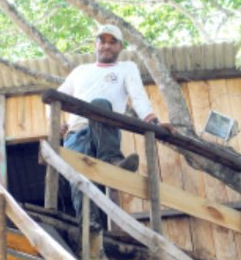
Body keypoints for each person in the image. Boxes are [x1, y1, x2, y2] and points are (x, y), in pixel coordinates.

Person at [56, 23, 165, 224]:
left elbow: (138, 96)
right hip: (76, 132)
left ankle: (113, 160)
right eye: (102, 41)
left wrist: (153, 120)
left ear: (120, 47)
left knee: (99, 103)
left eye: (112, 42)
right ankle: (89, 225)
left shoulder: (126, 68)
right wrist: (55, 123)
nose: (106, 46)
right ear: (95, 45)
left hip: (105, 130)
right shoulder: (81, 70)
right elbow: (54, 97)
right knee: (81, 180)